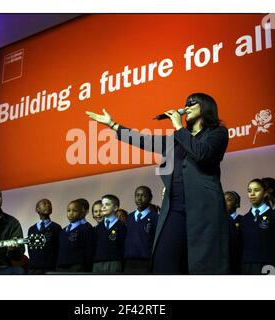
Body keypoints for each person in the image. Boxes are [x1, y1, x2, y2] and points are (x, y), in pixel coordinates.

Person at [87, 92, 229, 274]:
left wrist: (179, 126)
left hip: (203, 206)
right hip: (175, 205)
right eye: (186, 102)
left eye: (192, 102)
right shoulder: (177, 140)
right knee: (164, 260)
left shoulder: (217, 132)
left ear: (206, 106)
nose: (187, 106)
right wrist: (113, 125)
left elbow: (202, 153)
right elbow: (145, 140)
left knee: (202, 262)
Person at [241, 179, 275, 275]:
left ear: (265, 193)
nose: (252, 194)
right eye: (249, 191)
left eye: (256, 190)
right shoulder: (244, 219)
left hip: (268, 265)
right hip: (247, 266)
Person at [124, 186, 158, 274]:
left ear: (150, 198)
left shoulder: (155, 217)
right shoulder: (129, 217)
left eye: (143, 195)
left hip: (146, 262)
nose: (139, 198)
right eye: (137, 195)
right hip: (129, 262)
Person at [56, 199, 95, 272]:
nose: (71, 213)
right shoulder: (63, 231)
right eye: (68, 210)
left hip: (77, 267)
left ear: (81, 213)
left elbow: (89, 251)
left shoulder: (86, 228)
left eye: (75, 211)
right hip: (61, 267)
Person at [93, 194, 126, 273]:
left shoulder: (121, 226)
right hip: (97, 263)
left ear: (115, 208)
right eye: (102, 205)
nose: (103, 207)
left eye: (107, 204)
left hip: (115, 263)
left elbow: (123, 247)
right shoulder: (97, 228)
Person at [27, 199, 62, 274]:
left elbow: (59, 248)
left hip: (51, 269)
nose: (48, 205)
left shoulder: (56, 227)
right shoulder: (31, 229)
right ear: (37, 209)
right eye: (44, 204)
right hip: (33, 269)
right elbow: (30, 249)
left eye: (49, 204)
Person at [224, 191, 243, 275]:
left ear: (237, 204)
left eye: (229, 200)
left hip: (239, 265)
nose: (225, 203)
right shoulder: (218, 222)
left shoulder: (244, 220)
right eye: (223, 200)